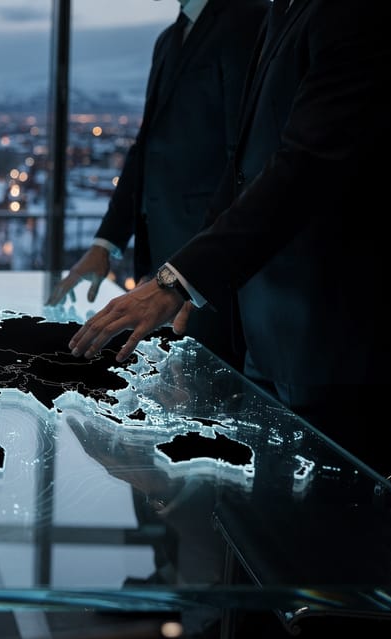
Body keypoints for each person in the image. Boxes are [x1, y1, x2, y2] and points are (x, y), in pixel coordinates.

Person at [69, 0, 391, 482]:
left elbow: (308, 167)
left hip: (340, 332)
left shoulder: (361, 10)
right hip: (270, 327)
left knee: (337, 535)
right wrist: (186, 280)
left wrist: (180, 280)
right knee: (262, 536)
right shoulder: (282, 11)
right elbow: (243, 169)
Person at [50, 0, 267, 369]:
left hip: (209, 260)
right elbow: (146, 147)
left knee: (207, 395)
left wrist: (194, 272)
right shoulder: (170, 38)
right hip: (169, 259)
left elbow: (243, 159)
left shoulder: (248, 21)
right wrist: (107, 242)